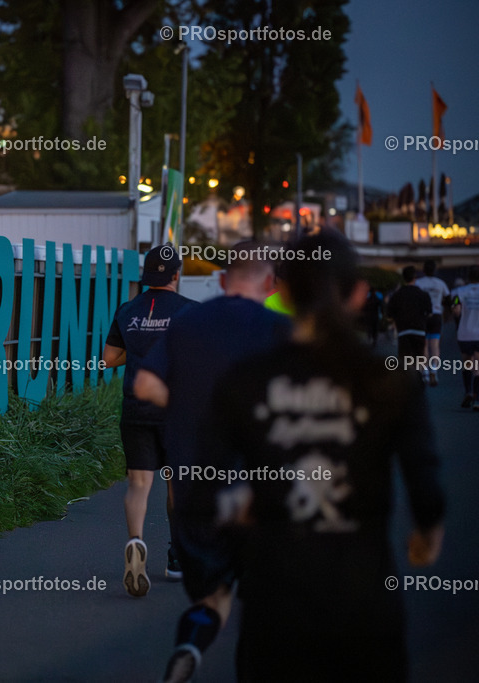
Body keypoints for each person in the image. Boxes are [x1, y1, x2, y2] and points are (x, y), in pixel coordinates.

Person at [209, 230, 445, 682]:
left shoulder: (246, 378)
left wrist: (221, 563)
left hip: (274, 599)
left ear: (283, 291)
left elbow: (204, 484)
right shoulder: (389, 381)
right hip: (363, 598)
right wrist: (427, 535)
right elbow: (426, 483)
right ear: (358, 294)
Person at [133, 243, 290, 682]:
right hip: (261, 490)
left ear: (221, 281)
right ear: (271, 284)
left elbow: (144, 383)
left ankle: (190, 645)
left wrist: (191, 407)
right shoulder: (284, 331)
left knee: (212, 599)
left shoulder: (187, 325)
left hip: (196, 487)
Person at [103, 244, 196, 597]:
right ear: (176, 274)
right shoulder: (191, 312)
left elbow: (109, 359)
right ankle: (176, 559)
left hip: (136, 408)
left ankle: (136, 542)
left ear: (146, 274)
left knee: (139, 485)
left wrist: (141, 353)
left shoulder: (128, 310)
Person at [385, 266, 431, 385]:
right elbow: (429, 313)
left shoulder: (397, 295)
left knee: (405, 357)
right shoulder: (423, 294)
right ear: (415, 277)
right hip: (419, 329)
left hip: (403, 330)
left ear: (403, 278)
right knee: (419, 354)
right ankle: (422, 373)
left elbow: (389, 314)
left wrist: (396, 319)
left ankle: (407, 379)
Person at [415, 259, 451, 386]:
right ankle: (434, 371)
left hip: (422, 316)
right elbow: (450, 299)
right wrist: (449, 313)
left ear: (423, 270)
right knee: (434, 345)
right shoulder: (440, 283)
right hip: (436, 315)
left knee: (423, 345)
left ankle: (424, 372)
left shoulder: (418, 283)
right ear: (435, 270)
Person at [451, 264, 479, 409]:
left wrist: (457, 311)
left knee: (467, 364)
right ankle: (477, 398)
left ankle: (468, 391)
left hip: (465, 334)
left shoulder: (459, 291)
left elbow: (456, 310)